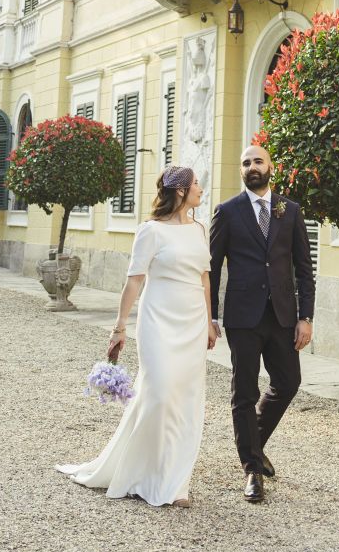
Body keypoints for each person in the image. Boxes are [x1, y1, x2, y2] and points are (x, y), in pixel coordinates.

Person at [56, 166, 218, 508]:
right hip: (158, 320)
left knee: (185, 399)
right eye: (196, 184)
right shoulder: (151, 231)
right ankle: (139, 471)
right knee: (159, 394)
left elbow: (205, 280)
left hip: (192, 322)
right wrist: (119, 327)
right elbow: (134, 280)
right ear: (180, 191)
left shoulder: (201, 229)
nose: (201, 189)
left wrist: (208, 321)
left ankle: (175, 483)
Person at [209, 143, 315, 504]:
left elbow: (304, 269)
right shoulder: (227, 212)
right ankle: (252, 469)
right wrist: (210, 316)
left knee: (288, 382)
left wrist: (306, 317)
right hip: (242, 316)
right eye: (245, 162)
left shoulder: (291, 210)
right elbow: (211, 269)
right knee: (244, 392)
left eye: (258, 161)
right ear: (240, 171)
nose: (252, 166)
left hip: (283, 315)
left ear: (272, 167)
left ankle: (251, 442)